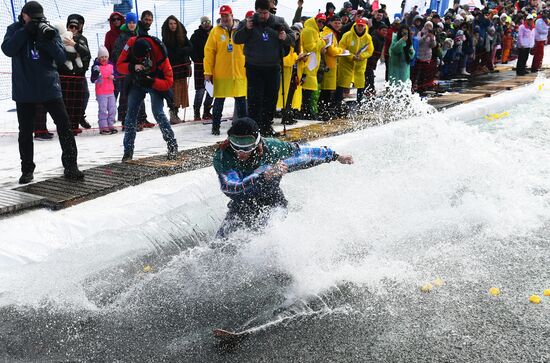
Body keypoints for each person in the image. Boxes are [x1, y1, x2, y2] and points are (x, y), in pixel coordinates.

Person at [213, 117, 353, 238]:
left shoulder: (272, 147)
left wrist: (335, 156)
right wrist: (262, 176)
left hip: (273, 201)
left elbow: (303, 153)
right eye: (236, 146)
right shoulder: (223, 155)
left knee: (267, 238)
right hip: (242, 203)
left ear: (256, 143)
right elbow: (230, 187)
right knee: (219, 246)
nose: (241, 153)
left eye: (246, 147)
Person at [2, 1, 84, 184]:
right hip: (24, 89)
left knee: (64, 124)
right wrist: (25, 31)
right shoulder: (14, 29)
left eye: (39, 17)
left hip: (49, 87)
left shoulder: (48, 29)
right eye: (33, 18)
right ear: (24, 16)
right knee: (25, 132)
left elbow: (61, 56)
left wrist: (44, 39)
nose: (36, 21)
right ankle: (27, 170)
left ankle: (71, 166)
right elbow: (7, 49)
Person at [234, 0, 294, 137]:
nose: (262, 15)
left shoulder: (279, 21)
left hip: (273, 67)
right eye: (259, 12)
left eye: (265, 13)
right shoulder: (247, 22)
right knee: (255, 99)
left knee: (271, 98)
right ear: (256, 10)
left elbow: (293, 39)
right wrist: (246, 29)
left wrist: (285, 37)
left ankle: (267, 126)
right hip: (254, 67)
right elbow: (236, 39)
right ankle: (254, 128)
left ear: (270, 10)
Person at [116, 36, 178, 161]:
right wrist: (133, 67)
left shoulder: (160, 54)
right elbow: (119, 66)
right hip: (136, 82)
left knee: (158, 113)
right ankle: (128, 152)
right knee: (130, 116)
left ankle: (172, 145)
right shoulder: (131, 43)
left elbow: (169, 82)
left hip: (154, 82)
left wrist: (152, 82)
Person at [204, 5, 247, 135]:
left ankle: (244, 129)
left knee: (241, 104)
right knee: (218, 102)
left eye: (226, 15)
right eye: (222, 16)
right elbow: (209, 52)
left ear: (231, 15)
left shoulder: (241, 30)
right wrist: (208, 72)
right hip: (221, 74)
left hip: (239, 73)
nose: (224, 18)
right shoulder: (215, 32)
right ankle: (215, 128)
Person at [112, 12, 149, 129]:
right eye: (129, 23)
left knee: (139, 94)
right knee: (126, 96)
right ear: (126, 23)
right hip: (127, 71)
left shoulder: (139, 34)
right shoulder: (122, 37)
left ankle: (140, 119)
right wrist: (128, 65)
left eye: (133, 22)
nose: (132, 25)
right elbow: (117, 54)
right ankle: (125, 121)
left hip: (138, 70)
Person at [57, 17, 91, 135]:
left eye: (76, 27)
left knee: (79, 101)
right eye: (71, 26)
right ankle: (67, 127)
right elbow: (59, 56)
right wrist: (72, 57)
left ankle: (75, 125)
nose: (73, 29)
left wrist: (75, 45)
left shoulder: (82, 39)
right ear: (67, 27)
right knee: (67, 102)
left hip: (79, 76)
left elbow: (86, 55)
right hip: (65, 76)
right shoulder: (60, 38)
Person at [334, 18, 374, 107]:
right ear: (355, 25)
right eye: (358, 25)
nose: (360, 28)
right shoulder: (347, 35)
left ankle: (359, 102)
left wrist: (361, 56)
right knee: (342, 83)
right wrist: (351, 56)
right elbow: (342, 47)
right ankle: (337, 103)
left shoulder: (368, 37)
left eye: (362, 26)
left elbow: (370, 51)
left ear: (365, 26)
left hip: (359, 65)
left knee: (360, 84)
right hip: (346, 64)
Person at [162, 15, 192, 125]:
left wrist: (182, 51)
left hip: (182, 67)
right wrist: (178, 52)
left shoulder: (182, 35)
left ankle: (176, 114)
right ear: (167, 25)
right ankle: (173, 114)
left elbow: (190, 47)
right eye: (170, 23)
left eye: (174, 23)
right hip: (172, 68)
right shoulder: (165, 37)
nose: (173, 25)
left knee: (180, 91)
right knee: (173, 92)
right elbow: (167, 53)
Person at [299, 13, 327, 120]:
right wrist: (322, 42)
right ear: (315, 20)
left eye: (323, 22)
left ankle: (307, 111)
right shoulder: (309, 30)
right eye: (319, 21)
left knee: (310, 90)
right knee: (307, 90)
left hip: (312, 65)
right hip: (308, 65)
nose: (321, 24)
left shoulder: (315, 31)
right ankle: (305, 111)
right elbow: (310, 47)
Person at [318, 15, 344, 121]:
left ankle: (325, 110)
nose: (338, 25)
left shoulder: (333, 33)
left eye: (339, 23)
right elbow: (331, 50)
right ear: (330, 23)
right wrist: (341, 51)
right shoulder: (328, 32)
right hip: (328, 64)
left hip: (332, 64)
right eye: (335, 23)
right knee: (326, 90)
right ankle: (322, 110)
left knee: (328, 90)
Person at [190, 16, 214, 121]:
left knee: (211, 90)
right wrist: (197, 60)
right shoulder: (196, 35)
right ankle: (196, 112)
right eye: (204, 22)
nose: (206, 24)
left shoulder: (215, 33)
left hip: (212, 65)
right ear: (201, 24)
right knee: (200, 90)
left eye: (208, 22)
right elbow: (191, 50)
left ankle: (207, 111)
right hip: (200, 65)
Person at [91, 46, 117, 134]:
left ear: (108, 57)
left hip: (111, 92)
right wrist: (96, 74)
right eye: (101, 57)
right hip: (101, 93)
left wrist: (114, 77)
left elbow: (116, 74)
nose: (104, 59)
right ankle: (103, 127)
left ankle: (111, 125)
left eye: (105, 57)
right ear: (98, 58)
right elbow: (92, 79)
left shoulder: (111, 65)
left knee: (112, 109)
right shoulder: (96, 67)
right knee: (103, 110)